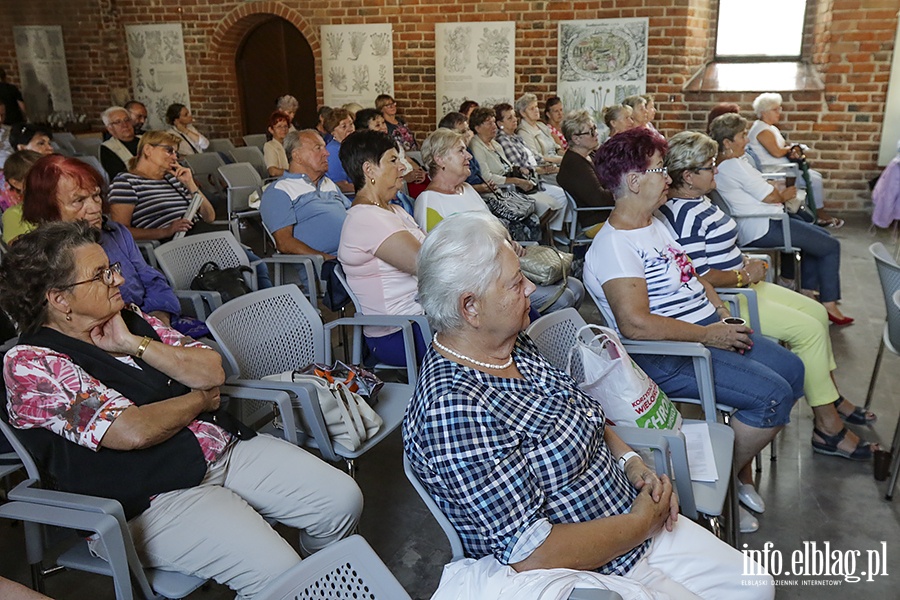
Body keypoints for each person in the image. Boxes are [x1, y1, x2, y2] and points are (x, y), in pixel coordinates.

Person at [404, 210, 774, 599]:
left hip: (631, 515)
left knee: (756, 586)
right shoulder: (453, 409)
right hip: (588, 565)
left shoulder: (511, 345)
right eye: (515, 283)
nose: (530, 288)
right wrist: (640, 524)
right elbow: (532, 552)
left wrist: (633, 464)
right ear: (470, 308)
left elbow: (584, 414)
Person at [0, 221, 362, 599]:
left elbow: (212, 368)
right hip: (150, 497)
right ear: (59, 299)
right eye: (101, 274)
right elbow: (132, 430)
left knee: (341, 501)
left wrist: (135, 344)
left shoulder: (128, 318)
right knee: (279, 573)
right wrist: (200, 401)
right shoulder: (32, 364)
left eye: (112, 268)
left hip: (219, 451)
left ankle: (320, 586)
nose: (118, 280)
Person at [583, 127, 805, 534]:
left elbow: (693, 273)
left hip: (703, 328)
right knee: (772, 397)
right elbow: (635, 324)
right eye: (659, 169)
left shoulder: (654, 222)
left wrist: (719, 311)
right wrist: (708, 335)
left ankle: (733, 472)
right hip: (669, 353)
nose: (668, 177)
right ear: (633, 181)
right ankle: (712, 489)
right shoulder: (616, 246)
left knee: (793, 370)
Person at [660, 131, 874, 461]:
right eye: (709, 166)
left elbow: (719, 251)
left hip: (746, 282)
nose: (716, 170)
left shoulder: (699, 200)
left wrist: (745, 261)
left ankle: (831, 399)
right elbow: (699, 275)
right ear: (687, 176)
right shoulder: (685, 216)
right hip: (733, 294)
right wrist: (743, 272)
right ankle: (827, 427)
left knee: (817, 314)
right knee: (808, 331)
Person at [417, 129, 584, 313]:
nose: (469, 156)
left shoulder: (466, 189)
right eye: (461, 151)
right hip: (481, 283)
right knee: (564, 297)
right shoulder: (429, 202)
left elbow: (492, 227)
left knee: (576, 286)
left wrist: (509, 242)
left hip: (504, 268)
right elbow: (441, 259)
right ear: (440, 159)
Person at [21, 155, 191, 332]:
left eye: (95, 196)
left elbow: (152, 279)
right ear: (48, 209)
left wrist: (159, 320)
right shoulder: (40, 257)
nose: (95, 208)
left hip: (152, 323)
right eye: (79, 201)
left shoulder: (116, 233)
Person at [709, 113, 852, 325]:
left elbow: (764, 192)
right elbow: (772, 196)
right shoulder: (733, 165)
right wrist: (782, 193)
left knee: (818, 236)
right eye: (742, 136)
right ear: (727, 142)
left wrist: (776, 193)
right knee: (830, 245)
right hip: (764, 225)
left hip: (762, 220)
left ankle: (807, 291)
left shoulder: (727, 163)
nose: (747, 140)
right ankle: (829, 303)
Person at [337, 130, 427, 366]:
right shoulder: (366, 218)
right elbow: (427, 265)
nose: (403, 167)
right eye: (393, 160)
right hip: (400, 333)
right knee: (499, 322)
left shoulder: (394, 210)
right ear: (369, 170)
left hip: (423, 320)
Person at [746, 93, 841, 228]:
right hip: (775, 172)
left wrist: (791, 149)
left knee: (815, 176)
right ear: (764, 112)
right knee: (815, 179)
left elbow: (782, 148)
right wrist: (792, 148)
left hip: (783, 168)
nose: (779, 112)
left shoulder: (770, 128)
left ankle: (814, 212)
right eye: (775, 109)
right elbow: (777, 152)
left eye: (779, 108)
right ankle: (819, 214)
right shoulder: (762, 130)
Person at [467, 107, 564, 233]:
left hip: (511, 188)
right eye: (489, 123)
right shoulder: (476, 146)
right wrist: (517, 181)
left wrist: (520, 171)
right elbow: (487, 177)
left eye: (494, 121)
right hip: (499, 192)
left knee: (553, 205)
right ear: (477, 128)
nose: (494, 126)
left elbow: (508, 167)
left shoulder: (495, 144)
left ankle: (544, 239)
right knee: (543, 207)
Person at [108, 130, 216, 241]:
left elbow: (209, 217)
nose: (175, 157)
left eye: (176, 153)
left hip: (198, 234)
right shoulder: (126, 182)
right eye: (169, 151)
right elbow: (120, 232)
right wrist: (166, 231)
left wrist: (190, 183)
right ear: (148, 150)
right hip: (171, 245)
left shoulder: (173, 179)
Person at [261, 129, 350, 261]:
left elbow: (352, 213)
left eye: (324, 148)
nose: (327, 153)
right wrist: (327, 260)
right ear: (297, 156)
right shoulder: (279, 190)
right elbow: (284, 243)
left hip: (356, 254)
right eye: (318, 148)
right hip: (329, 265)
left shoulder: (328, 183)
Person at [557, 110, 613, 236]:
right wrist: (623, 191)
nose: (596, 134)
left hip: (606, 214)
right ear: (576, 139)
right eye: (591, 132)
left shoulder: (588, 155)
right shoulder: (575, 165)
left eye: (595, 128)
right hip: (597, 221)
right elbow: (599, 199)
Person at [1, 150, 41, 242]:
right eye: (37, 177)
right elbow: (19, 250)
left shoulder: (64, 205)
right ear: (16, 183)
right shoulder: (14, 214)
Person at [515, 93, 563, 165]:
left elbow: (556, 147)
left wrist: (566, 157)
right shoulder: (523, 132)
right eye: (532, 109)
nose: (536, 110)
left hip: (557, 161)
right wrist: (558, 160)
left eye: (536, 107)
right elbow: (535, 157)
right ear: (523, 113)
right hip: (545, 167)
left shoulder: (541, 125)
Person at [100, 106, 141, 180]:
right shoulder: (108, 147)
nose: (125, 125)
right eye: (118, 122)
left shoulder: (145, 139)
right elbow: (120, 175)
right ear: (110, 129)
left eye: (127, 120)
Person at [323, 108, 356, 195]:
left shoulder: (351, 147)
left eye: (351, 124)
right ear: (333, 131)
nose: (350, 129)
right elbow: (340, 185)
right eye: (344, 126)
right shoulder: (333, 151)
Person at [263, 110, 291, 178]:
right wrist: (292, 173)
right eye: (279, 127)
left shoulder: (291, 144)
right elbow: (273, 171)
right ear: (271, 130)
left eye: (285, 126)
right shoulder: (269, 146)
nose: (283, 129)